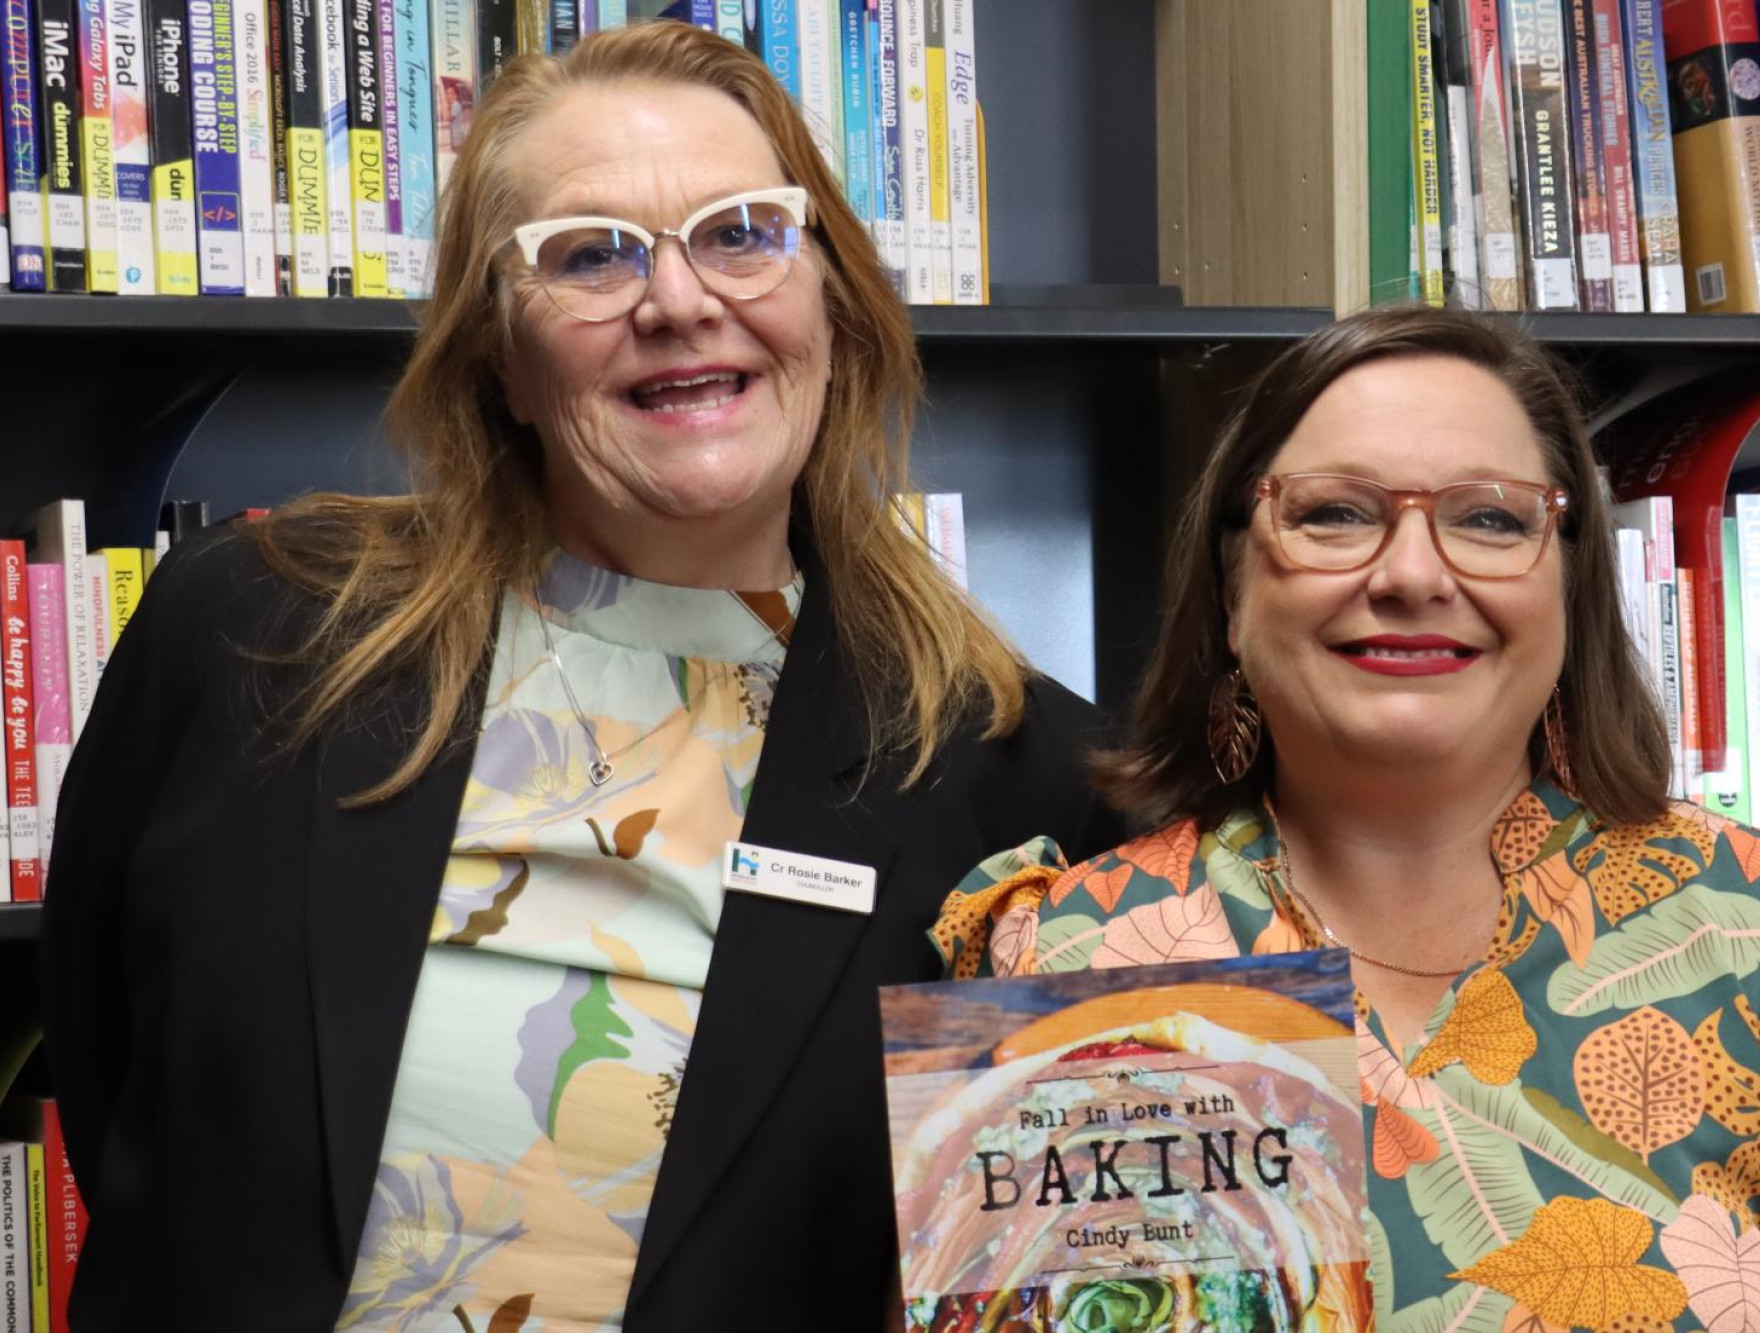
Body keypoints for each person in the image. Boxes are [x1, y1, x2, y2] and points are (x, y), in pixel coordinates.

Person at [40, 22, 1122, 1331]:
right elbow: (117, 1077)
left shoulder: (1026, 786)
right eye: (590, 254)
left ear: (832, 298)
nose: (678, 302)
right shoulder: (255, 635)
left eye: (740, 232)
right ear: (499, 353)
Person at [931, 307, 1760, 1331]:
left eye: (1488, 518)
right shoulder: (1072, 966)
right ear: (1228, 589)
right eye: (1333, 513)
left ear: (1569, 591)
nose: (1408, 573)